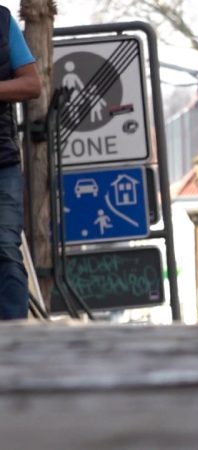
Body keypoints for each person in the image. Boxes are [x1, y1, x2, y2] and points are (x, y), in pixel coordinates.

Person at [0, 7, 42, 320]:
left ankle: (17, 346)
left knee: (4, 251)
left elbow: (31, 84)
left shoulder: (1, 21)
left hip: (2, 163)